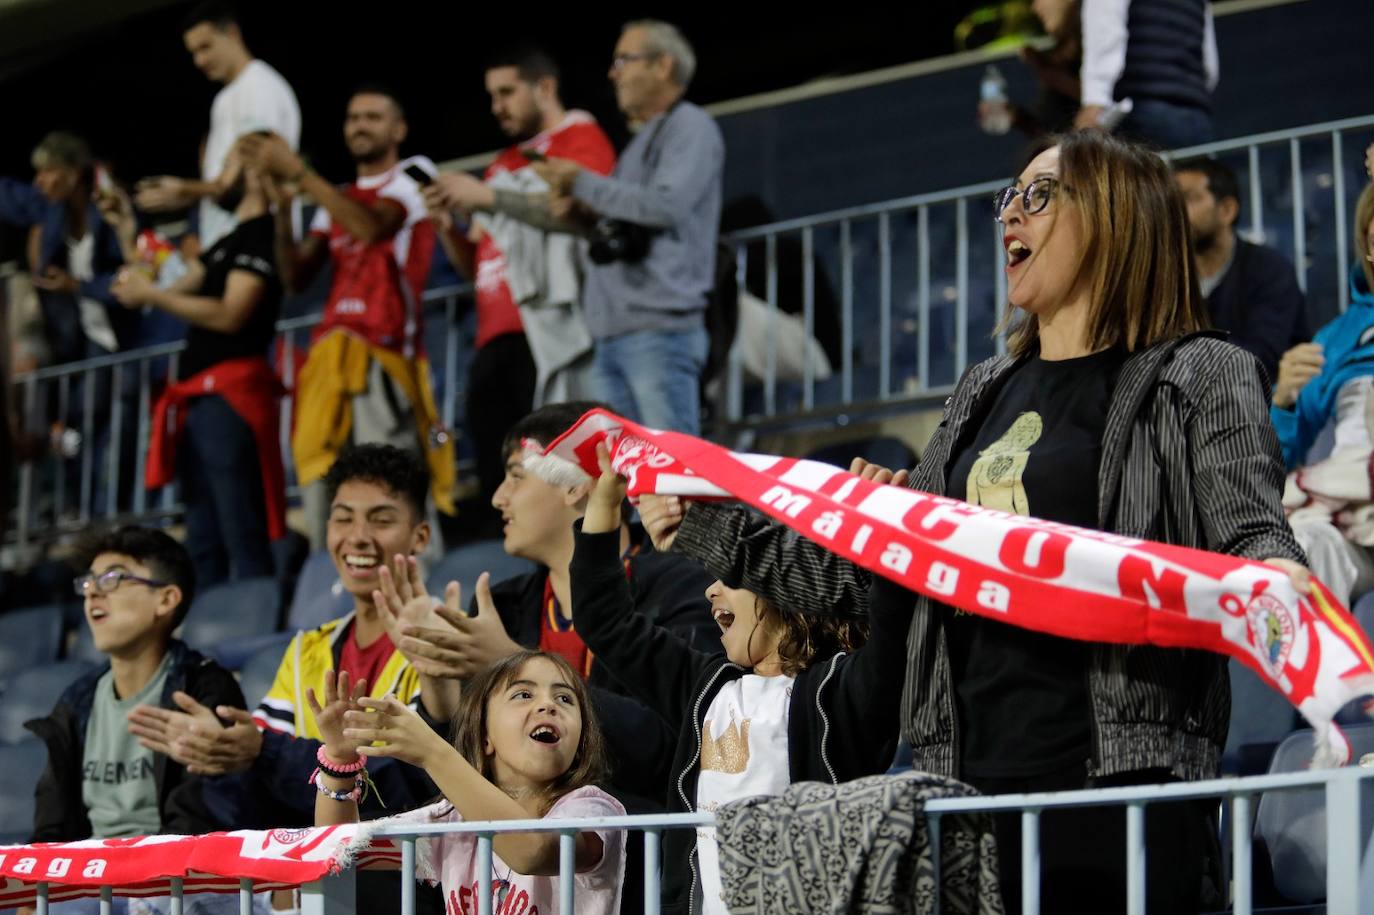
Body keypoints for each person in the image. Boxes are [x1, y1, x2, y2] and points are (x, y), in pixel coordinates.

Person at [641, 130, 1309, 914]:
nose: (1009, 216)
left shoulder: (1200, 370)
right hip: (963, 792)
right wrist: (710, 523)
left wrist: (1284, 586)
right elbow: (872, 574)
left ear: (1118, 214)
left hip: (1122, 790)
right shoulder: (981, 391)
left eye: (1038, 194)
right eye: (1008, 196)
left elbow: (1251, 535)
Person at [567, 443, 910, 914]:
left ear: (786, 586)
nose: (710, 591)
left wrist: (882, 531)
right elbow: (605, 620)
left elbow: (894, 634)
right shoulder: (706, 687)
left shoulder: (841, 692)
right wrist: (605, 501)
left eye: (728, 578)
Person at [125, 445, 439, 827]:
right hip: (312, 870)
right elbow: (264, 761)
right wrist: (220, 750)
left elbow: (411, 783)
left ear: (420, 536)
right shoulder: (307, 649)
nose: (357, 537)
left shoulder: (445, 642)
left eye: (381, 520)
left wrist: (262, 751)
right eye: (343, 519)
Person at [240, 87, 451, 551]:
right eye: (353, 117)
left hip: (385, 352)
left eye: (373, 117)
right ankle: (334, 590)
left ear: (398, 130)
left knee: (390, 477)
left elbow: (371, 228)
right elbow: (295, 276)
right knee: (326, 478)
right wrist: (284, 204)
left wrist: (302, 174)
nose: (359, 125)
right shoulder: (337, 200)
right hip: (330, 358)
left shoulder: (411, 178)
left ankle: (424, 582)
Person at [423, 45, 615, 527]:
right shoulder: (500, 163)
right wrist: (447, 226)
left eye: (507, 92)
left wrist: (486, 196)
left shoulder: (580, 136)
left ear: (544, 88)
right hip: (492, 333)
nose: (497, 106)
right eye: (492, 96)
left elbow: (586, 215)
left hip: (546, 329)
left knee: (549, 465)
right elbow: (476, 264)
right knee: (499, 469)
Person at [26, 527, 245, 914]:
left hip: (171, 882)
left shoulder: (203, 690)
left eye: (112, 578)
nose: (93, 591)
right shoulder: (76, 701)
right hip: (89, 880)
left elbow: (202, 821)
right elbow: (52, 824)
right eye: (89, 582)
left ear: (166, 599)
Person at [310, 652, 627, 915]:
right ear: (485, 735)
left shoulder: (593, 809)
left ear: (581, 740)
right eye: (524, 694)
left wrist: (433, 752)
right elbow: (340, 852)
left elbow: (532, 852)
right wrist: (338, 762)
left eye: (565, 698)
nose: (549, 705)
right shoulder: (453, 820)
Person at [532, 20, 724, 435]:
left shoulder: (690, 125)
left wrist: (580, 180)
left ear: (662, 65)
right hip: (614, 334)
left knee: (670, 476)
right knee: (628, 478)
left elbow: (667, 206)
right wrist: (583, 218)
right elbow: (630, 226)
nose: (612, 72)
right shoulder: (639, 144)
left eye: (624, 59)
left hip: (658, 329)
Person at [109, 142, 285, 588]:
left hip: (229, 399)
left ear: (252, 173)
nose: (217, 178)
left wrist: (151, 295)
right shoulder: (227, 242)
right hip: (198, 400)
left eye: (225, 167)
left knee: (239, 524)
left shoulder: (262, 236)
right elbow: (172, 282)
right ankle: (210, 627)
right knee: (202, 534)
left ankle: (254, 618)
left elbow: (230, 313)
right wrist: (128, 228)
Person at [1270, 175, 1374, 604]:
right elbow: (1273, 462)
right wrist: (1283, 402)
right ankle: (1330, 669)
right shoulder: (1333, 340)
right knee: (1301, 546)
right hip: (1346, 512)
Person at [136, 0, 300, 251]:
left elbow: (242, 182)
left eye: (206, 47)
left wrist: (183, 191)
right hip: (227, 242)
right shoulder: (224, 99)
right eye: (193, 53)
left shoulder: (259, 87)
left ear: (232, 33)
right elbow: (218, 182)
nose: (199, 61)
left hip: (259, 244)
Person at [1174, 156, 1307, 382]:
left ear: (1227, 210)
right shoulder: (1171, 276)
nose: (1176, 211)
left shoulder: (1270, 270)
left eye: (1189, 198)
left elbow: (1263, 358)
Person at [1076, 0, 1218, 148]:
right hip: (1195, 117)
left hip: (1140, 111)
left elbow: (1107, 32)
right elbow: (1209, 66)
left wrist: (1095, 103)